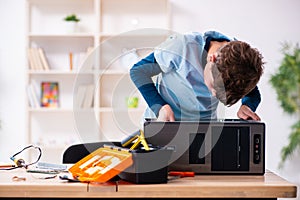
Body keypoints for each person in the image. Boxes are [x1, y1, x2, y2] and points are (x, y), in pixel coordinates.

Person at [129, 30, 264, 122]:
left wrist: (247, 105)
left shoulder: (240, 62)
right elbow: (138, 71)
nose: (211, 94)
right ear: (212, 59)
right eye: (212, 87)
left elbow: (252, 92)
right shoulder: (183, 47)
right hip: (163, 124)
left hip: (203, 135)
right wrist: (160, 107)